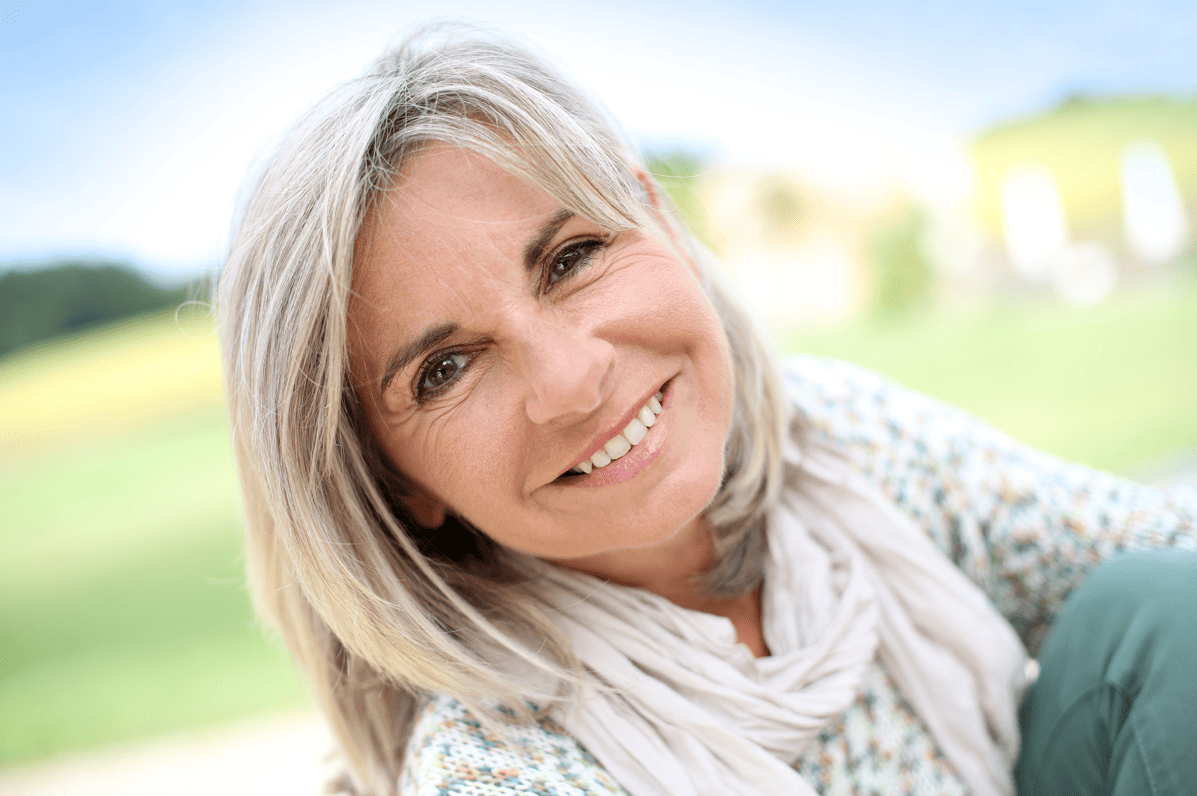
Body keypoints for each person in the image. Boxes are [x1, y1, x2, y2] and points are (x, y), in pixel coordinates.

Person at [217, 22, 1197, 796]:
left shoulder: (840, 440)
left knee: (1160, 613)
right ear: (392, 479)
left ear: (661, 223)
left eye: (570, 259)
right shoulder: (493, 772)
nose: (572, 380)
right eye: (445, 369)